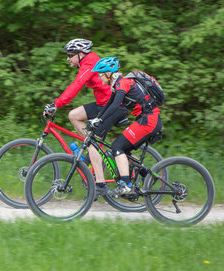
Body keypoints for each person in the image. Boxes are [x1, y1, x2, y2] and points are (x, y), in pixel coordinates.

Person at [42, 39, 128, 199]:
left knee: (91, 143)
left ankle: (100, 184)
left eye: (70, 55)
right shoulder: (88, 62)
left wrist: (56, 103)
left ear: (81, 54)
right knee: (73, 116)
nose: (68, 58)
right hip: (103, 104)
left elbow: (76, 85)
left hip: (110, 107)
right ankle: (91, 153)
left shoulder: (89, 64)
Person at [87, 56, 163, 197]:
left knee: (117, 146)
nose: (99, 77)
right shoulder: (118, 85)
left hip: (148, 121)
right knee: (124, 150)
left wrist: (100, 120)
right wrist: (96, 119)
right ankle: (145, 174)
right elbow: (109, 104)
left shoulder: (124, 83)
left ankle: (125, 185)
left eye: (100, 74)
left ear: (109, 73)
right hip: (146, 119)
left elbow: (116, 106)